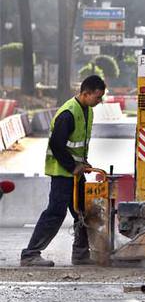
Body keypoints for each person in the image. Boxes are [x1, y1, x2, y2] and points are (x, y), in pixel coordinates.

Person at [20, 75, 106, 267]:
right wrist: (73, 166)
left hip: (76, 173)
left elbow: (77, 144)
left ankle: (81, 254)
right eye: (97, 97)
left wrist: (83, 163)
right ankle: (30, 254)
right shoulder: (68, 113)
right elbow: (57, 145)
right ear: (85, 93)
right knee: (55, 212)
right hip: (62, 172)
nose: (99, 102)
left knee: (82, 212)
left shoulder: (87, 111)